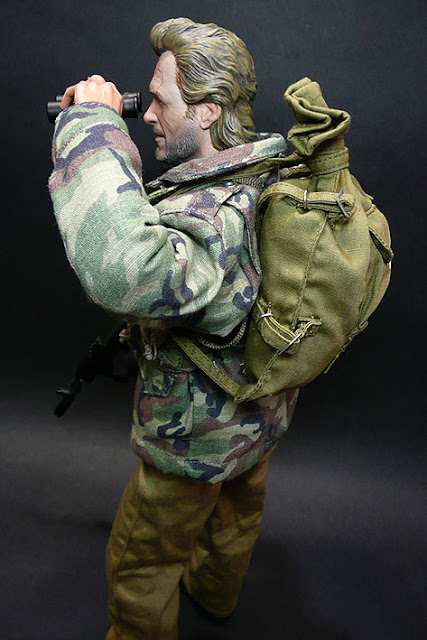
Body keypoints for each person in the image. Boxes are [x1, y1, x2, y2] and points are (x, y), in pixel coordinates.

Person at [49, 17, 298, 640]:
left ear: (209, 111)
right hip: (256, 413)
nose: (150, 115)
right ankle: (215, 594)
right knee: (235, 515)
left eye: (161, 101)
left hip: (197, 436)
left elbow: (123, 269)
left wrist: (92, 127)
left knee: (141, 562)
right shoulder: (265, 171)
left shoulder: (211, 214)